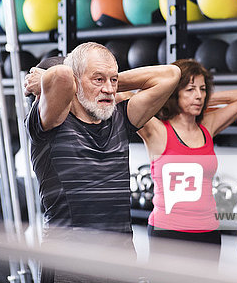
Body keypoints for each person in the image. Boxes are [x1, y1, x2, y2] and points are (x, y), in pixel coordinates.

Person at [23, 42, 180, 283]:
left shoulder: (119, 119)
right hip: (70, 265)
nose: (109, 89)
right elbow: (62, 76)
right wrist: (73, 81)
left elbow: (171, 75)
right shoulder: (46, 127)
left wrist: (104, 81)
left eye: (113, 80)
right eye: (98, 80)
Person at [136, 58, 237, 268]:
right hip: (168, 234)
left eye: (202, 89)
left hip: (207, 233)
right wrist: (167, 89)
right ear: (175, 92)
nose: (198, 95)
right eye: (190, 89)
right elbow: (126, 96)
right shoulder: (157, 130)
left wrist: (202, 99)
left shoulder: (207, 127)